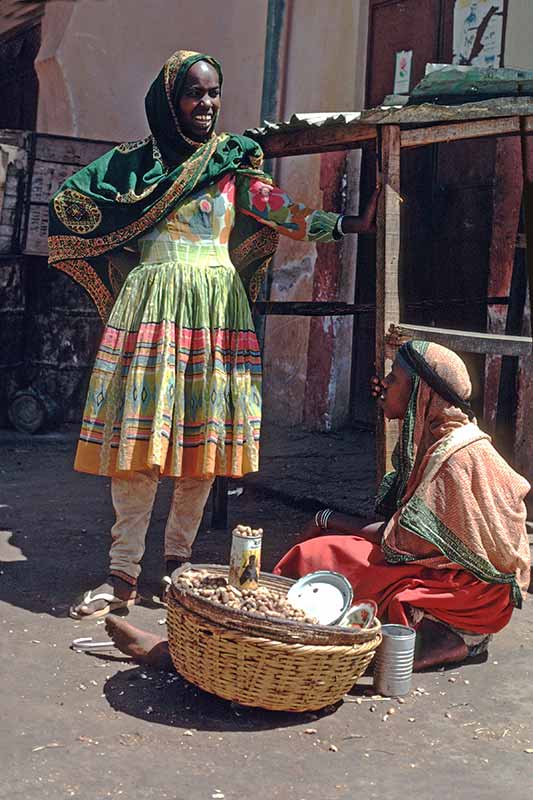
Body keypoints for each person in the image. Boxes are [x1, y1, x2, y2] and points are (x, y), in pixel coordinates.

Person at [48, 50, 379, 620]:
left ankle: (176, 566)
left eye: (214, 94)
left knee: (200, 449)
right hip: (152, 307)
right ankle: (121, 575)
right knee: (139, 444)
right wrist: (126, 244)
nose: (206, 105)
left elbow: (279, 209)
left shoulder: (232, 162)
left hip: (216, 313)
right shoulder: (133, 166)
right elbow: (70, 202)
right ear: (169, 99)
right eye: (194, 94)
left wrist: (346, 225)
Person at [102, 340, 530, 672]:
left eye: (394, 379)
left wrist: (329, 522)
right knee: (326, 553)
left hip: (464, 593)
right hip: (441, 570)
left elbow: (405, 540)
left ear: (422, 393)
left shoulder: (457, 455)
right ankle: (212, 642)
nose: (381, 386)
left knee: (319, 557)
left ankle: (215, 652)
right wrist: (334, 525)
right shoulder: (436, 438)